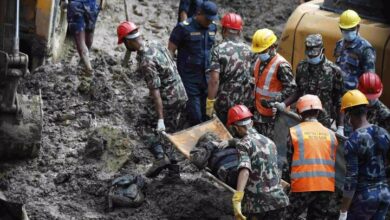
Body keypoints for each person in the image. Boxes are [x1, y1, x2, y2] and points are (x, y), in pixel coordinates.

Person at [117, 21, 188, 178]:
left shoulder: (145, 61)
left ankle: (159, 157)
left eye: (124, 43)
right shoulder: (155, 43)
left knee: (142, 125)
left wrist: (160, 119)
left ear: (128, 41)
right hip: (180, 94)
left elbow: (155, 92)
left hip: (168, 98)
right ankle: (173, 172)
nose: (124, 46)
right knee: (169, 133)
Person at [227, 105, 289, 220]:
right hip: (279, 200)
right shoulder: (270, 142)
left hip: (258, 205)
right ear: (251, 123)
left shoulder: (243, 144)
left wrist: (238, 197)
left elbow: (245, 170)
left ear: (236, 128)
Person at [275, 34, 345, 133]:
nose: (311, 58)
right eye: (309, 55)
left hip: (322, 122)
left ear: (322, 51)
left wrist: (340, 126)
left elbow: (339, 101)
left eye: (314, 55)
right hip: (301, 118)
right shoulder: (301, 67)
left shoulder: (334, 71)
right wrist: (284, 104)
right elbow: (299, 91)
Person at [339, 90, 390, 220]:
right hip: (384, 195)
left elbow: (352, 178)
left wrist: (343, 211)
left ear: (349, 115)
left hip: (364, 198)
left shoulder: (353, 140)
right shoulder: (383, 132)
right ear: (366, 111)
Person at [285, 95, 338, 219]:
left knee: (286, 216)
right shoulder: (331, 134)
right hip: (326, 187)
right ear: (319, 111)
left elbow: (289, 162)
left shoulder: (295, 132)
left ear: (299, 112)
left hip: (303, 185)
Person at [169, 1, 218, 126]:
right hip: (189, 76)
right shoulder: (183, 28)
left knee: (207, 112)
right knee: (195, 115)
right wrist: (171, 74)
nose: (209, 22)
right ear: (199, 13)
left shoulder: (213, 27)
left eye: (211, 19)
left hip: (206, 76)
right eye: (207, 19)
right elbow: (171, 50)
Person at [206, 13, 253, 124]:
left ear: (223, 29)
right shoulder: (248, 49)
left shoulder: (218, 50)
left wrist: (210, 103)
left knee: (223, 133)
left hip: (224, 102)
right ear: (240, 31)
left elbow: (214, 81)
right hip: (243, 102)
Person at [251, 28, 296, 140]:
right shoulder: (259, 61)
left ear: (272, 47)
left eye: (262, 51)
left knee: (273, 144)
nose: (260, 54)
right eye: (259, 51)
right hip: (259, 113)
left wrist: (274, 100)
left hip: (275, 116)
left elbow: (292, 89)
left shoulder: (281, 65)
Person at [334, 9, 376, 90]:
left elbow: (369, 80)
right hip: (338, 93)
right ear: (340, 29)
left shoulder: (366, 49)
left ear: (358, 27)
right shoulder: (339, 45)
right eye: (345, 30)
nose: (348, 32)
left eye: (351, 29)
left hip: (355, 97)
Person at [66, 0, 104, 75]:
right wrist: (102, 3)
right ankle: (83, 61)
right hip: (91, 4)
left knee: (80, 41)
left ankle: (89, 69)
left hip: (75, 5)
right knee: (89, 33)